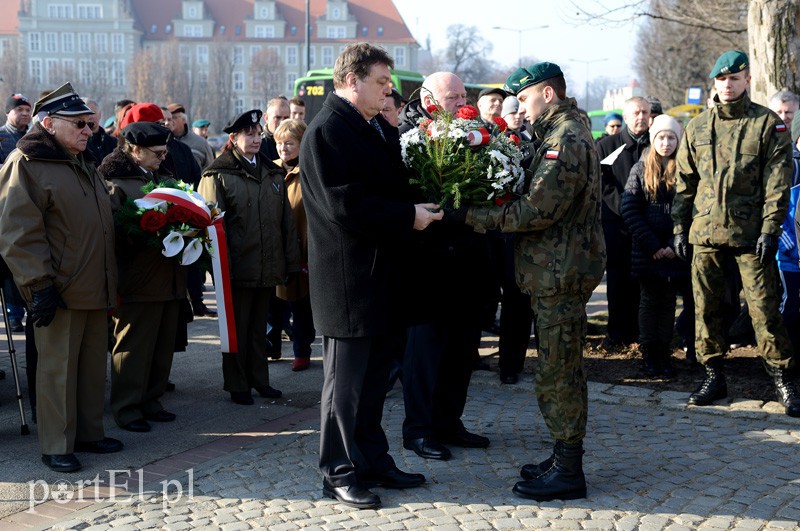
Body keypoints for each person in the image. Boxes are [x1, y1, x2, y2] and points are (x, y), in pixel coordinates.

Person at [456, 62, 605, 501]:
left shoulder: (566, 141)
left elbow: (533, 211)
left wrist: (466, 215)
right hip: (557, 267)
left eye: (524, 98)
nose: (519, 107)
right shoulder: (565, 132)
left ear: (548, 94)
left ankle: (570, 470)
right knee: (560, 367)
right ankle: (562, 456)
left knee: (558, 372)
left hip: (560, 271)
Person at [300, 42, 440, 509]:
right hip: (349, 283)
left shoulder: (369, 125)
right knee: (344, 387)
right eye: (381, 81)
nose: (389, 90)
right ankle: (337, 471)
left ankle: (372, 459)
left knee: (375, 380)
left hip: (380, 278)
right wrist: (407, 216)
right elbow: (345, 204)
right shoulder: (328, 130)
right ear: (351, 80)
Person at [0, 82, 123, 472]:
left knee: (89, 368)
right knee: (57, 370)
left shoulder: (80, 161)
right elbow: (19, 232)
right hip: (58, 289)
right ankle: (56, 442)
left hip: (92, 284)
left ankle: (88, 431)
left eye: (89, 124)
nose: (89, 131)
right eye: (80, 125)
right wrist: (39, 286)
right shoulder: (27, 164)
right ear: (49, 124)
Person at [672, 50, 800, 417]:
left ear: (747, 80)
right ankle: (713, 375)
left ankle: (782, 379)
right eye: (722, 80)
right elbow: (684, 184)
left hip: (752, 236)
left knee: (763, 311)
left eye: (735, 78)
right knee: (706, 309)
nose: (728, 85)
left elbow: (778, 182)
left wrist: (770, 228)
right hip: (705, 234)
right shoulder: (697, 127)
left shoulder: (768, 124)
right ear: (714, 83)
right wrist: (680, 229)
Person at [398, 70, 492, 461]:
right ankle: (418, 430)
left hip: (467, 261)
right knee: (424, 354)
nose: (460, 102)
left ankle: (449, 422)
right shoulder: (410, 137)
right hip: (427, 264)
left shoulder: (476, 134)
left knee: (461, 348)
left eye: (462, 95)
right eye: (452, 97)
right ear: (430, 99)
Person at [199, 109, 300, 405]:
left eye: (259, 134)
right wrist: (219, 268)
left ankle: (260, 379)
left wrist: (290, 263)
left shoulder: (272, 172)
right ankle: (237, 383)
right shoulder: (217, 174)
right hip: (236, 267)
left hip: (267, 265)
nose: (256, 139)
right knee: (237, 330)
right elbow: (210, 227)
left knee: (259, 329)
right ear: (233, 138)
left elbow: (286, 223)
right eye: (249, 134)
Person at [100, 121, 183, 433]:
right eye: (156, 152)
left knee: (161, 347)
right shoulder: (115, 181)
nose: (163, 156)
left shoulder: (164, 176)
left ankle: (151, 399)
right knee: (133, 346)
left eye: (164, 151)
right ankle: (127, 407)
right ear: (135, 150)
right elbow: (110, 230)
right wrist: (143, 227)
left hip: (168, 275)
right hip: (136, 278)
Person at [621, 114, 687, 378]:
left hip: (674, 249)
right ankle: (649, 352)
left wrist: (672, 244)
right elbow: (630, 210)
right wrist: (653, 246)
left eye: (671, 137)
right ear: (653, 138)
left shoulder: (683, 169)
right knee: (649, 302)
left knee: (669, 302)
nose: (666, 142)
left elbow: (689, 209)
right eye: (661, 136)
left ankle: (664, 351)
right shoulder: (639, 169)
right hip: (647, 251)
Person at [596, 96, 651, 348]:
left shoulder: (657, 143)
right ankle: (617, 333)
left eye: (645, 112)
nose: (641, 117)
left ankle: (644, 332)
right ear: (626, 117)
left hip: (649, 224)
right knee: (618, 281)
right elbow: (601, 182)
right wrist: (626, 209)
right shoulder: (608, 145)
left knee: (646, 280)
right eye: (636, 113)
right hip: (616, 223)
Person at [271, 119, 315, 372]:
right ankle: (272, 345)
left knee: (301, 305)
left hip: (303, 248)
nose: (283, 148)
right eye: (279, 143)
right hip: (278, 249)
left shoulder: (309, 170)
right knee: (274, 305)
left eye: (289, 143)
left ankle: (302, 351)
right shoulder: (271, 170)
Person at [0, 93, 32, 332]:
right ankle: (13, 312)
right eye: (19, 109)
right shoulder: (1, 137)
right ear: (8, 112)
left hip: (31, 208)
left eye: (27, 109)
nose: (24, 113)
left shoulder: (35, 138)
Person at [167, 103, 214, 170]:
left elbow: (210, 169)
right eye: (167, 119)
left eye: (173, 118)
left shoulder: (200, 143)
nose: (168, 122)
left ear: (184, 120)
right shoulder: (162, 142)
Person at [84, 100, 117, 165]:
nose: (90, 116)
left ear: (100, 115)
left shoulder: (112, 142)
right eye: (87, 113)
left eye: (93, 113)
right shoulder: (79, 142)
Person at [259, 96, 290, 161]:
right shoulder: (258, 144)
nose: (282, 122)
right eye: (277, 117)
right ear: (266, 118)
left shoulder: (296, 142)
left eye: (286, 118)